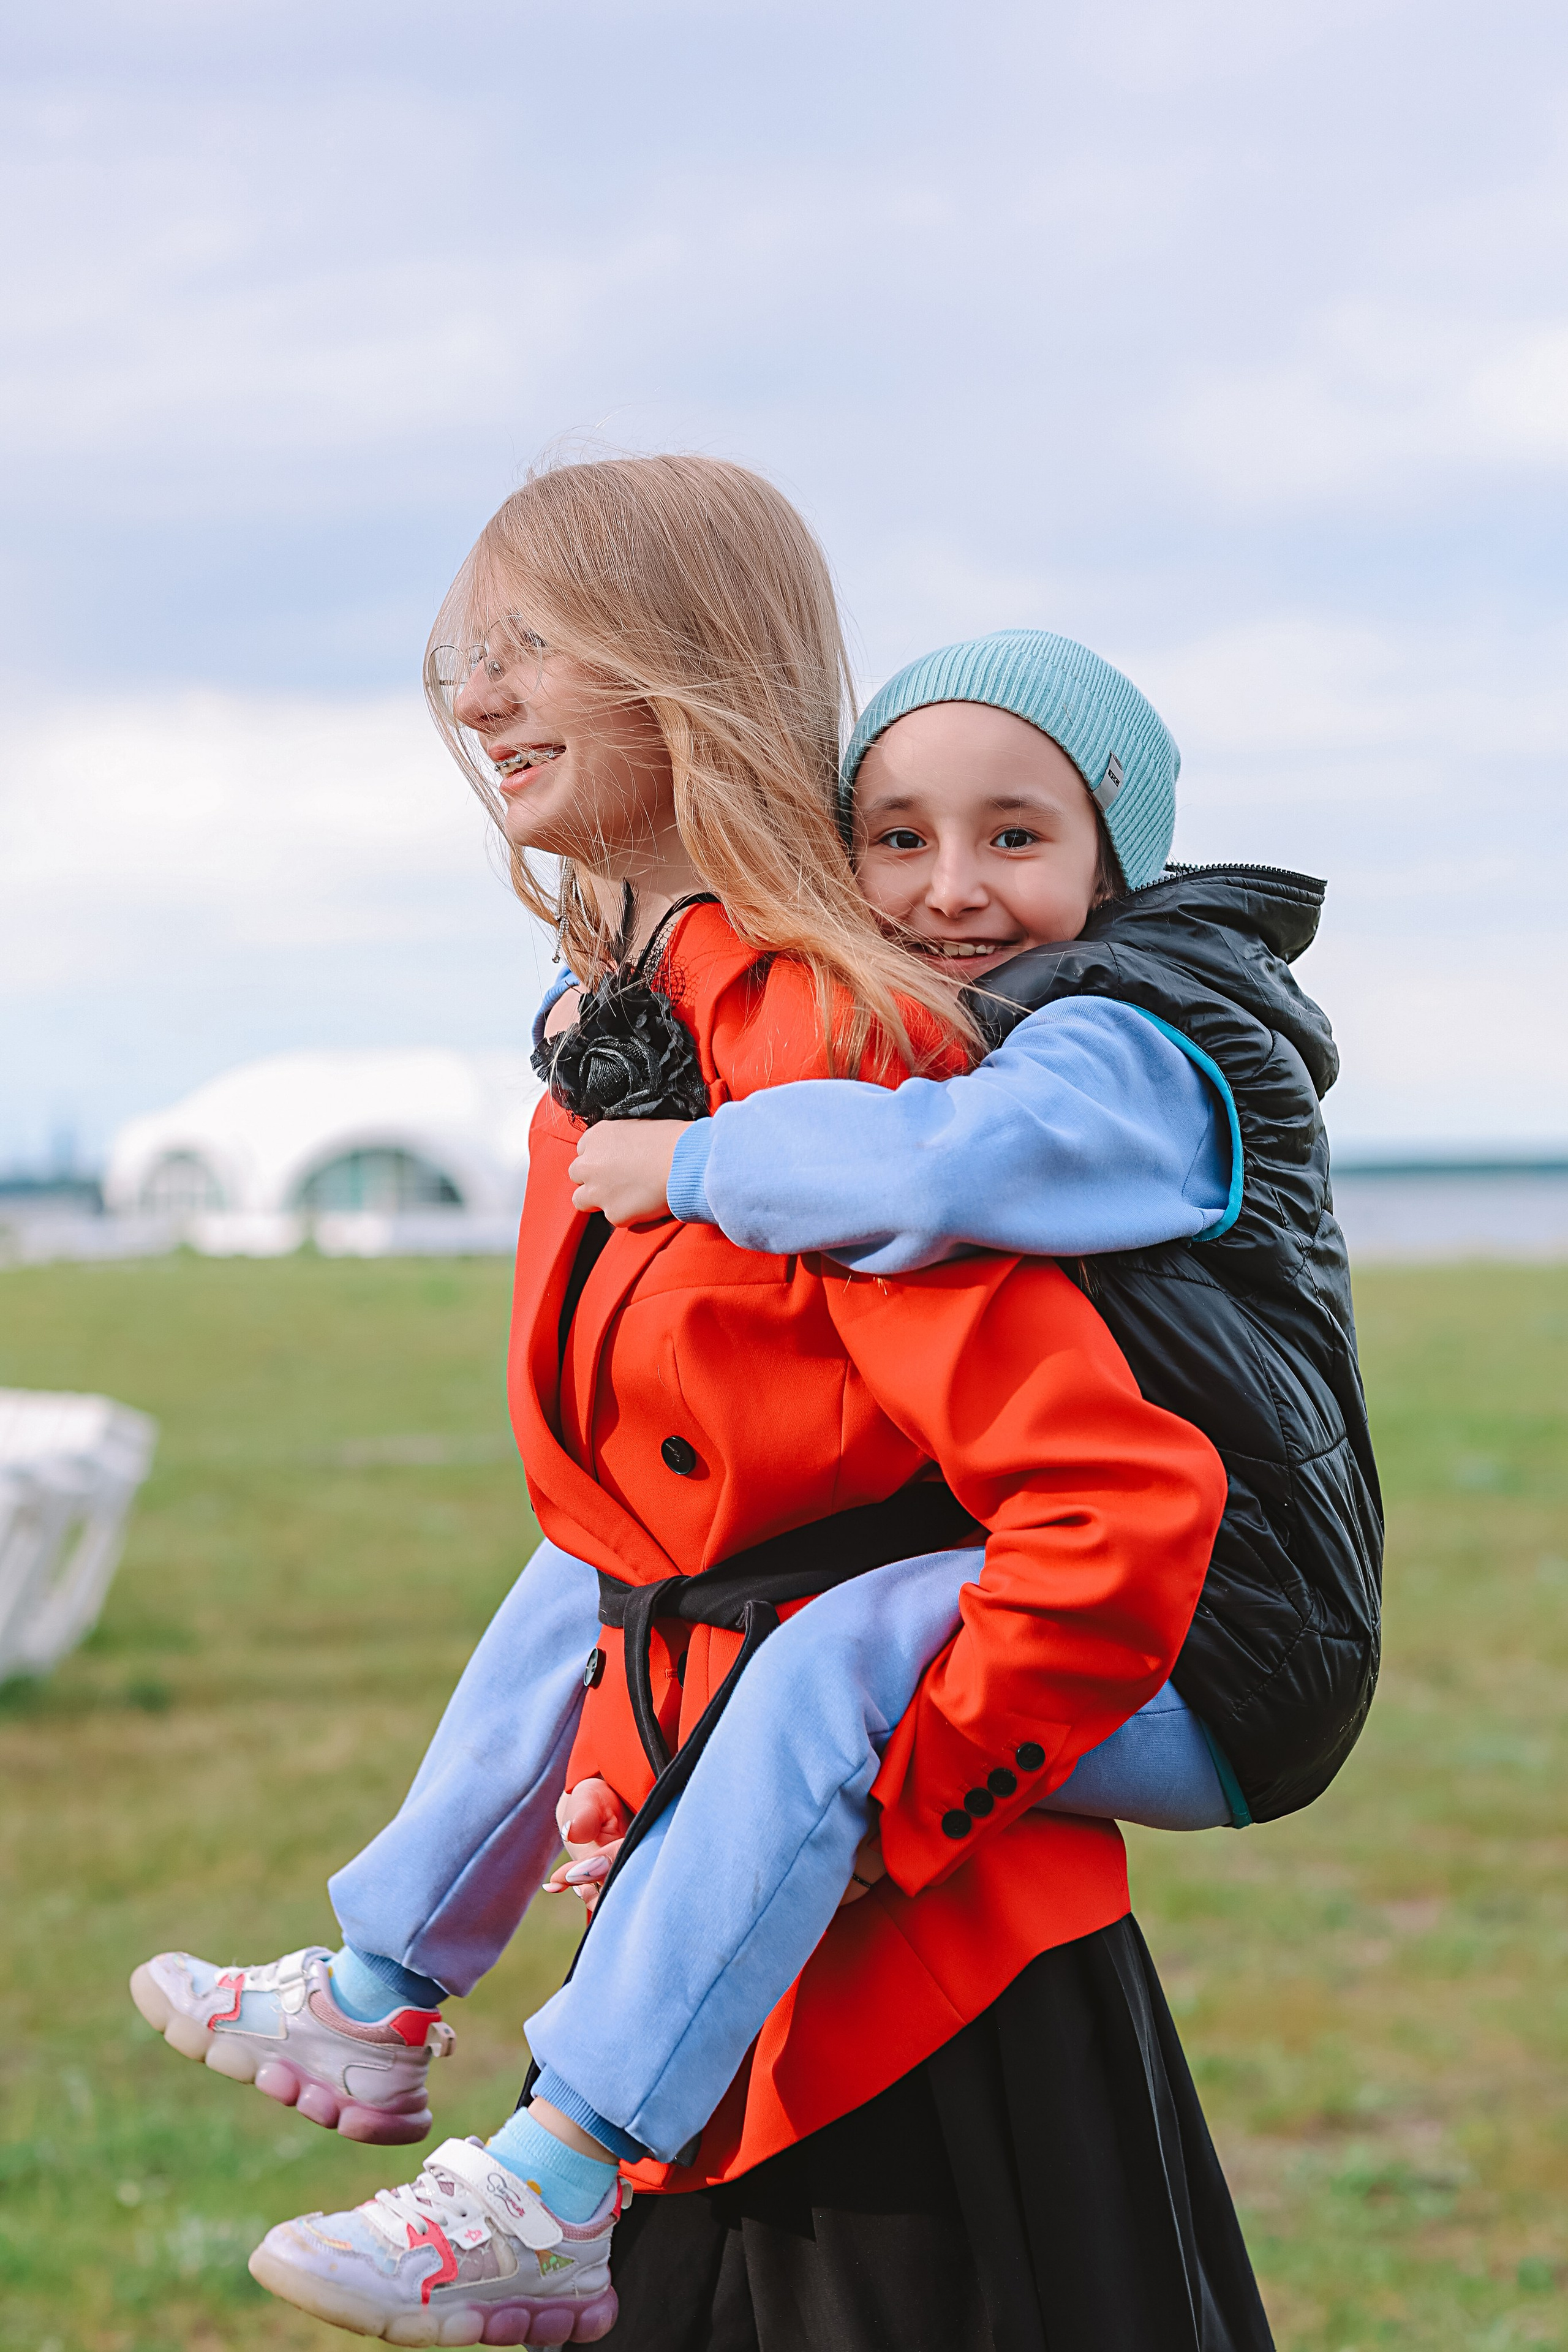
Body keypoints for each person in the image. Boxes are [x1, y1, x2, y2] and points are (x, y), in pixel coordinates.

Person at [132, 455, 1277, 2348]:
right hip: (695, 1917)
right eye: (465, 654)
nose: (476, 695)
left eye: (536, 648)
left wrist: (863, 1793)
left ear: (690, 669)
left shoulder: (841, 1040)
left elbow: (1096, 1514)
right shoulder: (623, 1018)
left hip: (902, 1979)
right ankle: (383, 1992)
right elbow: (624, 1529)